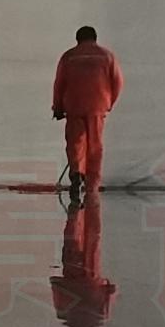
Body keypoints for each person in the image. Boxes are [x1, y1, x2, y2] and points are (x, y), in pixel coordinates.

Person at [51, 24, 123, 203]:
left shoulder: (68, 56)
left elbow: (59, 84)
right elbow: (118, 82)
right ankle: (92, 185)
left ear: (77, 40)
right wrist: (109, 103)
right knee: (95, 145)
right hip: (97, 104)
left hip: (74, 104)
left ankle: (76, 173)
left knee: (75, 143)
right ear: (95, 39)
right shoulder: (107, 56)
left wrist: (58, 107)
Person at [49, 191, 118, 327]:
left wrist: (104, 286)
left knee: (92, 237)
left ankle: (88, 202)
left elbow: (111, 290)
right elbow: (55, 284)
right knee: (75, 239)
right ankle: (76, 209)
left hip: (90, 274)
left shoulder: (100, 317)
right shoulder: (63, 314)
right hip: (78, 271)